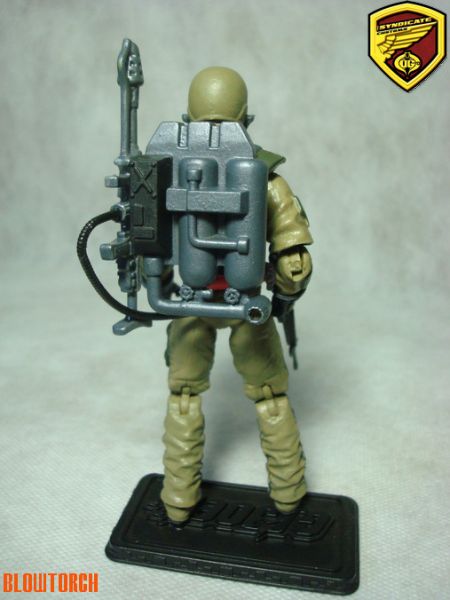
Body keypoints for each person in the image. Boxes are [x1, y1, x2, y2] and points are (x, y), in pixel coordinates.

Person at [161, 66, 313, 524]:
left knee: (184, 396)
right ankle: (288, 495)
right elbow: (294, 260)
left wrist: (158, 283)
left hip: (190, 303)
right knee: (270, 398)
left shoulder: (170, 170)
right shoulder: (265, 177)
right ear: (246, 119)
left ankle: (177, 503)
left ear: (186, 118)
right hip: (246, 305)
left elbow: (149, 243)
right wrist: (284, 291)